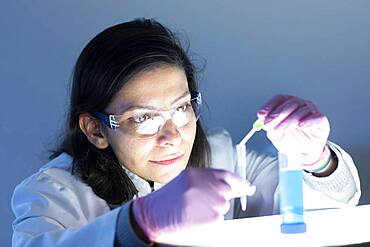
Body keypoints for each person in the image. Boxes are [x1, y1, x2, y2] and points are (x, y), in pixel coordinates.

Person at [11, 18, 361, 246]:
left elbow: (327, 216)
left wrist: (317, 160)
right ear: (95, 129)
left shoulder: (226, 156)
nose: (172, 136)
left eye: (181, 108)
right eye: (144, 118)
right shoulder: (52, 193)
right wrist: (137, 224)